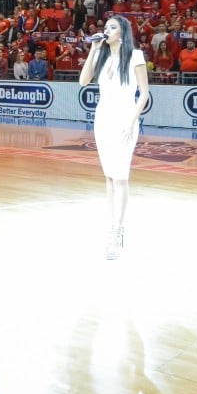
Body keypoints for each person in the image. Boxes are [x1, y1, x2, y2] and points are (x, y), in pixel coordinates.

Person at [78, 15, 150, 260]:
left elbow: (144, 93)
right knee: (109, 176)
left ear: (123, 32)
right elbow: (82, 81)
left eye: (112, 27)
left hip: (124, 120)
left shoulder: (135, 56)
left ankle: (117, 230)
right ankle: (113, 225)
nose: (106, 30)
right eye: (105, 26)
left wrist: (132, 119)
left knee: (120, 177)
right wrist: (93, 50)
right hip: (103, 119)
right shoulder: (101, 54)